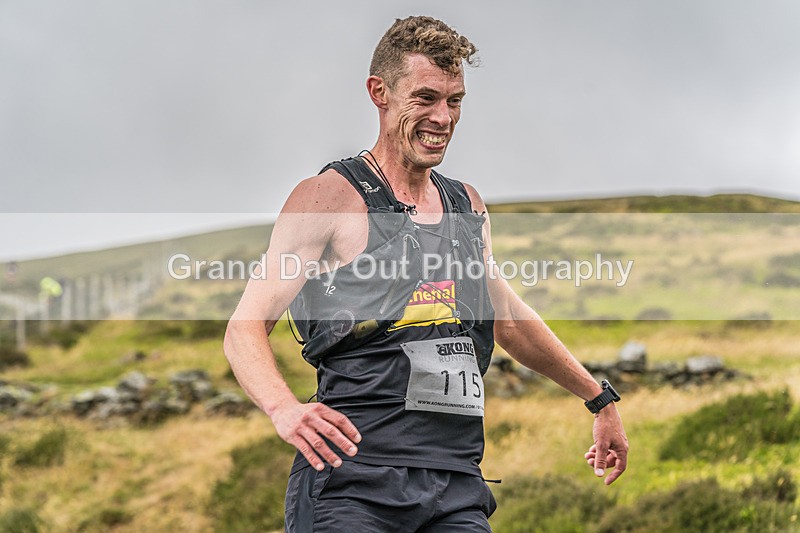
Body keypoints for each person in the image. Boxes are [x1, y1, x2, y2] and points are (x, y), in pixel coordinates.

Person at [224, 15, 628, 532]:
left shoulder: (466, 206)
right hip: (353, 481)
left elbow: (506, 318)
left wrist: (598, 399)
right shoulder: (328, 197)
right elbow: (244, 327)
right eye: (426, 98)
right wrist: (283, 408)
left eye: (455, 100)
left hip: (455, 484)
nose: (443, 117)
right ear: (380, 92)